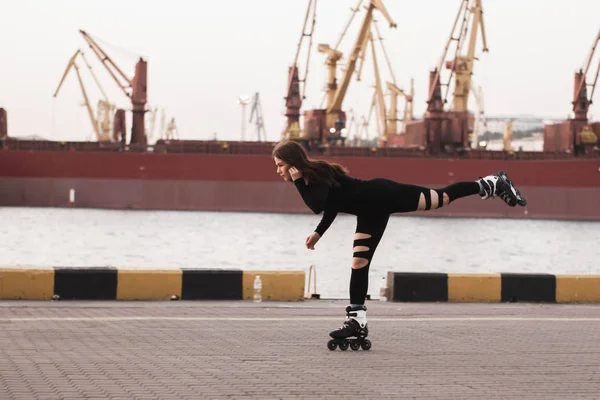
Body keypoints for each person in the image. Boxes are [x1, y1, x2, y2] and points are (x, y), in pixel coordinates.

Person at [272, 140, 527, 342]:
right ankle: (356, 321)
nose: (278, 171)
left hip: (384, 194)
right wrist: (318, 233)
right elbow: (332, 205)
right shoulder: (314, 178)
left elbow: (316, 205)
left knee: (440, 199)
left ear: (293, 163)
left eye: (281, 165)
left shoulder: (312, 177)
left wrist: (297, 183)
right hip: (370, 212)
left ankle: (491, 183)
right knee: (359, 264)